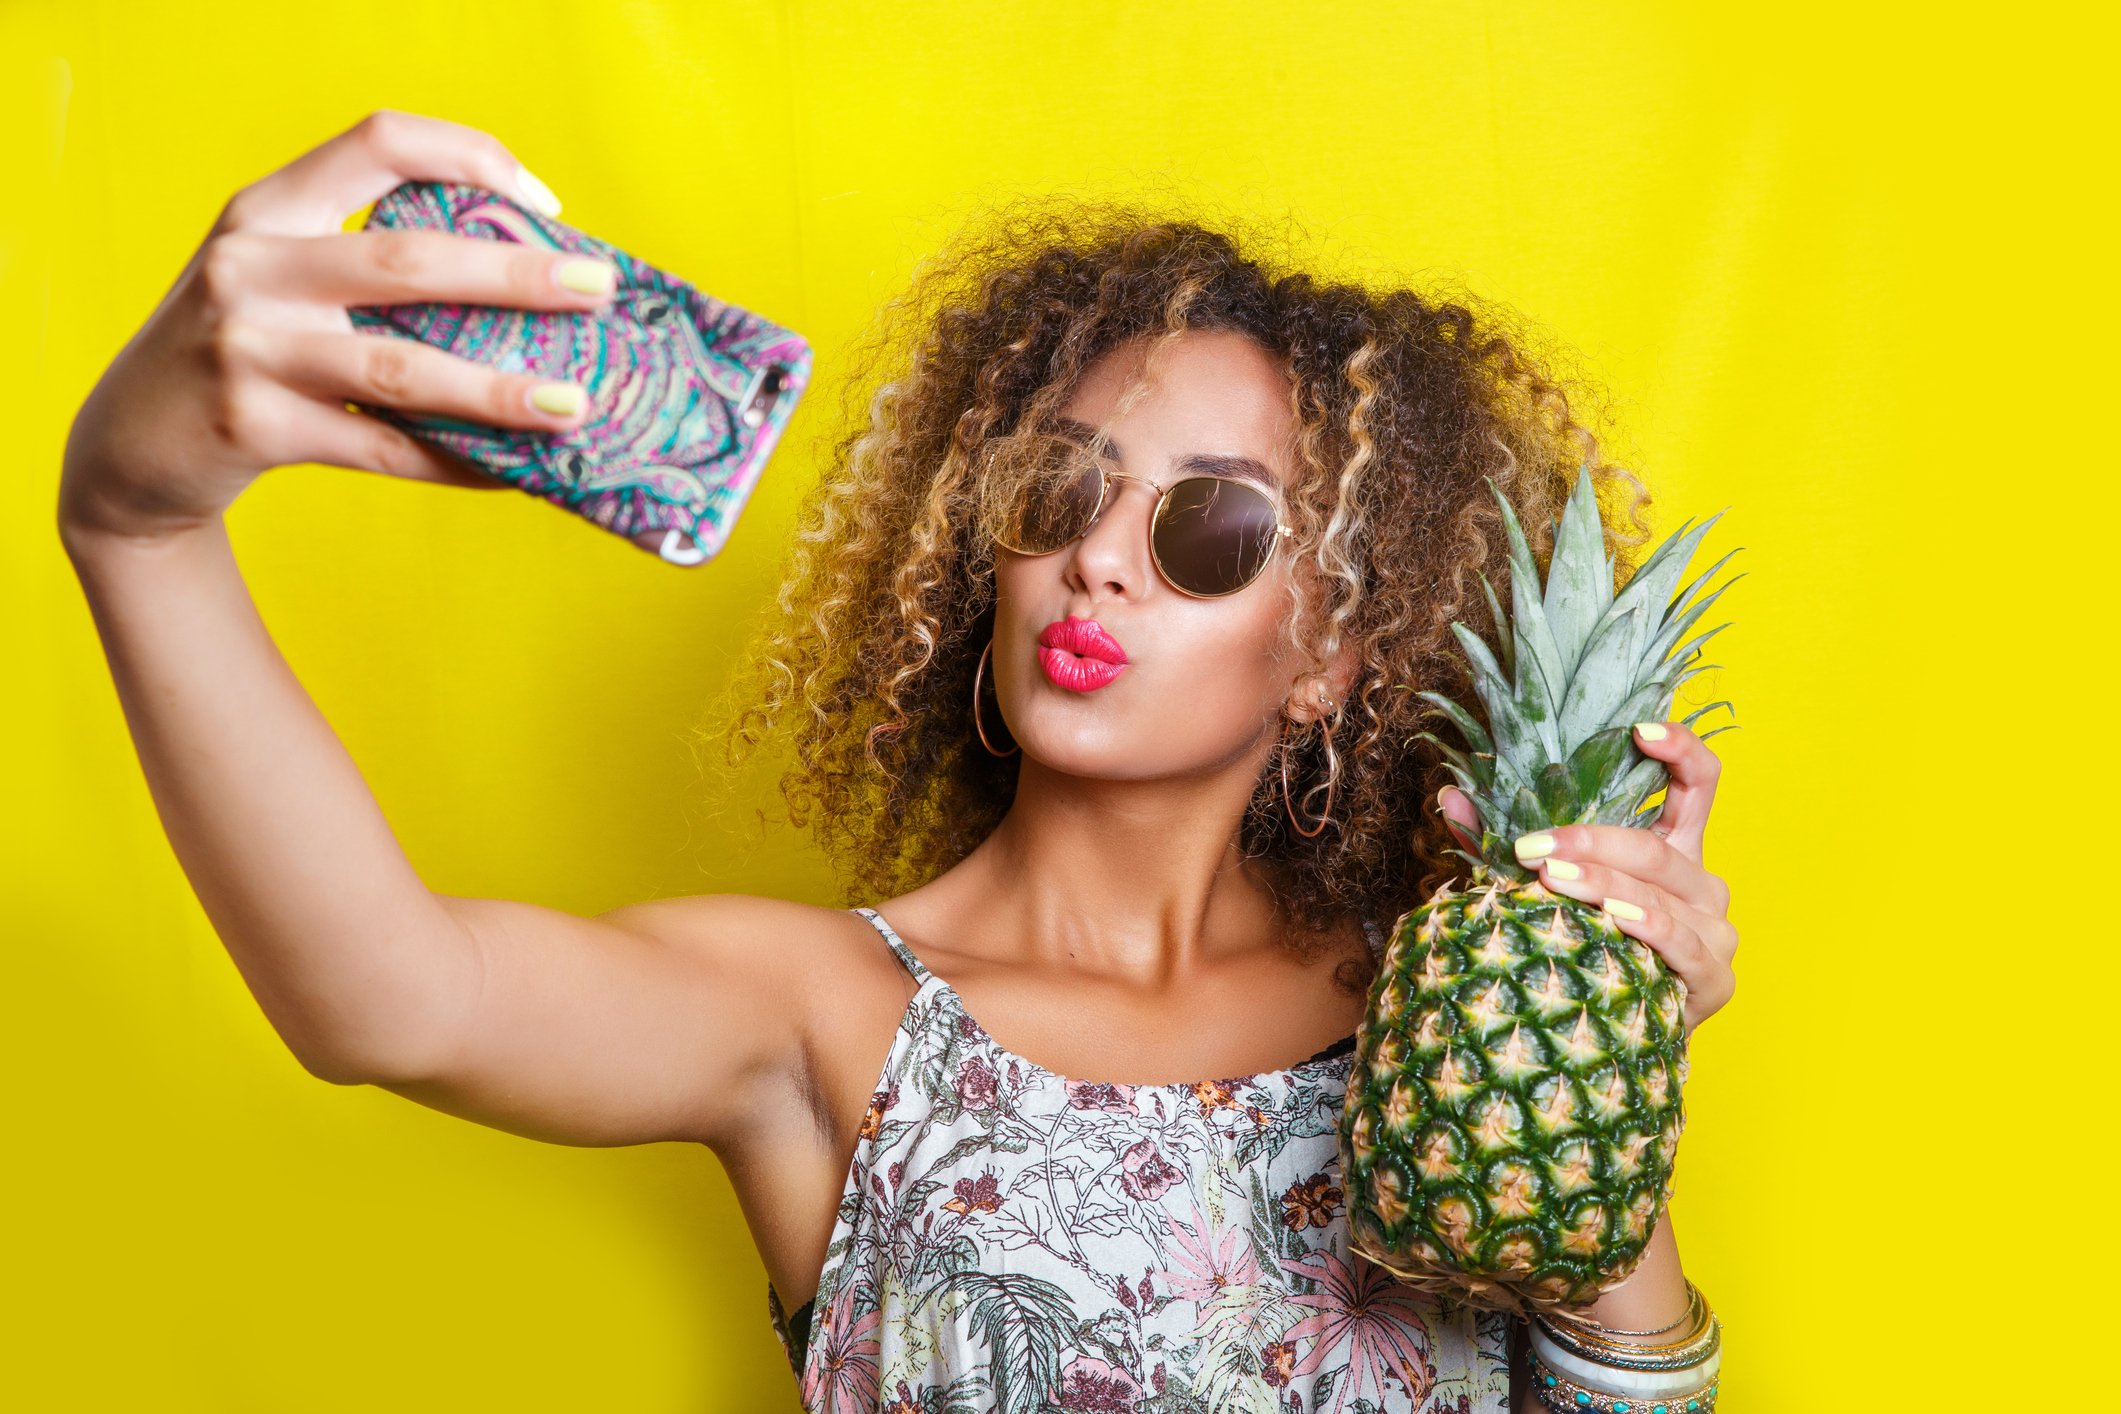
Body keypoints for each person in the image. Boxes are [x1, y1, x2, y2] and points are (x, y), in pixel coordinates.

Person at [58, 109, 1739, 1414]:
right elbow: (389, 997)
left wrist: (1604, 1069)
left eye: (1210, 528)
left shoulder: (1435, 1012)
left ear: (1329, 658)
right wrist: (137, 524)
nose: (1098, 562)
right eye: (1057, 492)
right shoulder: (827, 1017)